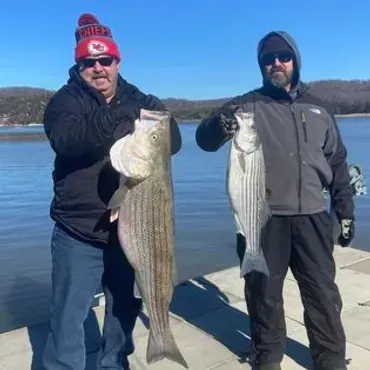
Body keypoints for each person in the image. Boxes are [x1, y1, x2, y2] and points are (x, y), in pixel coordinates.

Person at [195, 31, 355, 370]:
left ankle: (329, 357)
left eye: (283, 56)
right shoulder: (247, 105)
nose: (276, 63)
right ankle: (267, 354)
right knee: (264, 295)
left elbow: (338, 162)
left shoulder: (319, 107)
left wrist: (345, 211)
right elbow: (204, 140)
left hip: (312, 217)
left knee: (322, 293)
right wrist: (218, 125)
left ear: (295, 60)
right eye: (268, 59)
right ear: (261, 66)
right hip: (264, 219)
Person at [42, 13, 182, 370]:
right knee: (67, 323)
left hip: (130, 235)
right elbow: (68, 141)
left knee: (121, 317)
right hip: (78, 232)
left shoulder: (141, 98)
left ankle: (118, 362)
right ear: (79, 64)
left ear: (118, 61)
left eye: (106, 60)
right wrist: (118, 115)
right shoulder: (64, 102)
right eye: (90, 62)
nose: (99, 68)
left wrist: (162, 125)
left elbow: (174, 143)